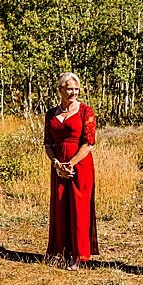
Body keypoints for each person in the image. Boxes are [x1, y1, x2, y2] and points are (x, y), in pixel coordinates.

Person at [43, 72, 98, 269]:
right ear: (60, 90)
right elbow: (47, 143)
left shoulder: (86, 111)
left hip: (80, 165)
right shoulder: (51, 113)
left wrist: (71, 163)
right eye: (69, 89)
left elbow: (89, 142)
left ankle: (79, 255)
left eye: (76, 89)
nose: (73, 92)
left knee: (79, 208)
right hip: (58, 166)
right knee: (59, 207)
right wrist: (57, 163)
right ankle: (60, 252)